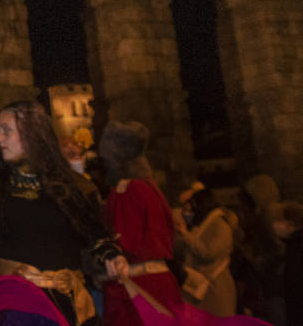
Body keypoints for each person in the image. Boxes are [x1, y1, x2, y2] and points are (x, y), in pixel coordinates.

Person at [0, 99, 126, 325]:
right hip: (13, 308)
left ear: (32, 134)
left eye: (6, 131)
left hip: (66, 305)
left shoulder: (75, 188)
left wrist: (112, 255)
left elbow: (97, 238)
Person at [97, 121, 182, 325]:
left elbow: (124, 244)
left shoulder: (127, 190)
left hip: (137, 288)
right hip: (162, 283)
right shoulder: (151, 187)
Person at [175, 184, 236, 315]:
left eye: (192, 207)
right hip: (205, 288)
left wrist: (186, 234)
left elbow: (208, 252)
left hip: (216, 288)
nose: (189, 212)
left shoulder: (220, 225)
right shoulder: (204, 225)